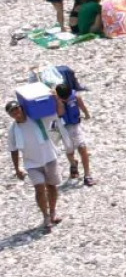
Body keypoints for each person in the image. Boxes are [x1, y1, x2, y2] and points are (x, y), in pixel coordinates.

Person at [8, 99, 62, 231]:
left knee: (52, 186)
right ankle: (46, 216)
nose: (16, 113)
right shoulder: (13, 130)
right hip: (31, 163)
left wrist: (56, 98)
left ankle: (53, 211)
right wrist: (17, 168)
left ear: (21, 108)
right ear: (10, 115)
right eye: (12, 112)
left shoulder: (37, 119)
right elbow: (13, 150)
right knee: (39, 188)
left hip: (49, 157)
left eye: (17, 109)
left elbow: (57, 114)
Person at [53, 81, 92, 186]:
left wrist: (87, 114)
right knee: (70, 151)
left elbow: (82, 106)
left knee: (83, 148)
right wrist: (59, 101)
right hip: (64, 128)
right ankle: (73, 164)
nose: (66, 99)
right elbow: (60, 113)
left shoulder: (75, 97)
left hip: (75, 126)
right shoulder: (55, 101)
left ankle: (87, 175)